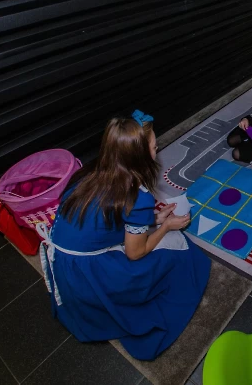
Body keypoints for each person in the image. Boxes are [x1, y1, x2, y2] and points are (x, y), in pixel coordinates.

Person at [39, 110, 211, 361]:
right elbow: (135, 253)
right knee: (181, 252)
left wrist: (153, 219)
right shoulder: (137, 196)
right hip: (90, 273)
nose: (157, 150)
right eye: (154, 147)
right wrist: (166, 227)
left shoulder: (89, 174)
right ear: (139, 156)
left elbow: (108, 220)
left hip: (67, 267)